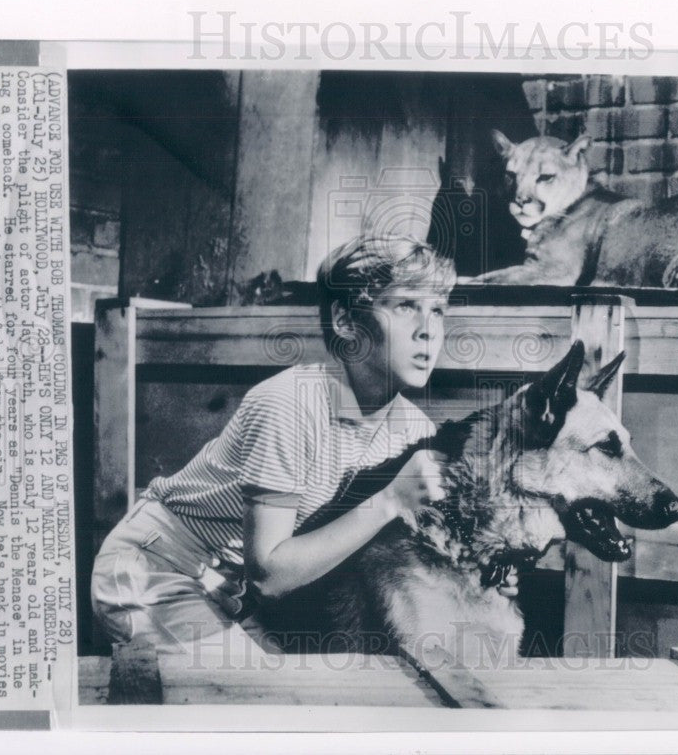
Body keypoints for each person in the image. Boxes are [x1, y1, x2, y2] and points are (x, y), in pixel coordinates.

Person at [90, 234, 456, 654]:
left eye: (438, 310)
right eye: (406, 306)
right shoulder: (289, 402)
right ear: (344, 321)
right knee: (262, 696)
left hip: (234, 594)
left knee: (306, 691)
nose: (428, 331)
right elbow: (271, 574)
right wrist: (391, 499)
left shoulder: (414, 430)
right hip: (159, 570)